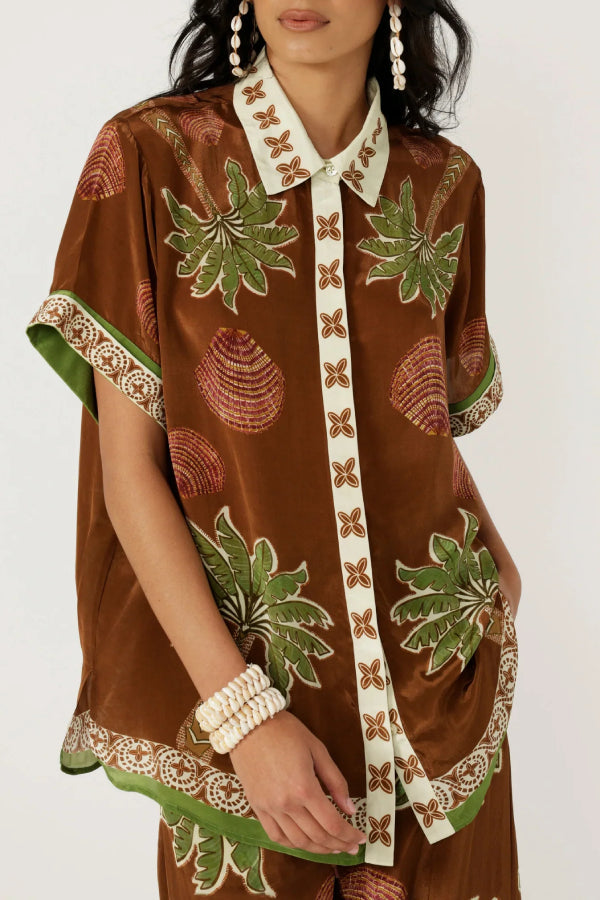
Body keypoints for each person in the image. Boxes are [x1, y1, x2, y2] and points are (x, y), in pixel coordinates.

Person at [25, 0, 523, 896]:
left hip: (443, 717)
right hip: (253, 721)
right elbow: (129, 472)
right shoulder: (151, 156)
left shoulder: (447, 185)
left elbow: (424, 427)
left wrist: (502, 570)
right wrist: (244, 718)